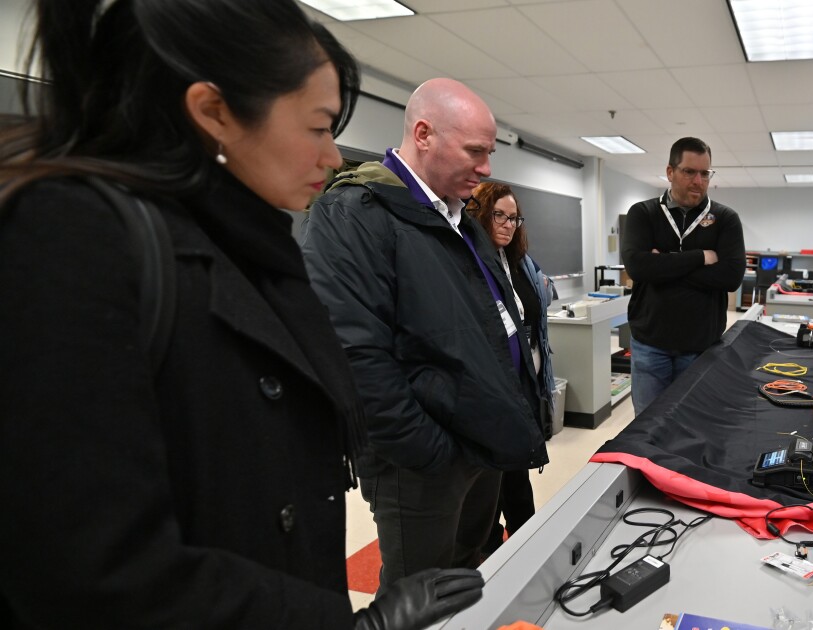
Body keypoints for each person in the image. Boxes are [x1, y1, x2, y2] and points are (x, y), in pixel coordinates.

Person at [0, 1, 485, 628]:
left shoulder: (244, 239)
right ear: (214, 112)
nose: (333, 156)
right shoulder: (69, 242)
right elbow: (90, 565)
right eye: (316, 127)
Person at [300, 79, 548, 588]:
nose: (487, 169)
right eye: (475, 152)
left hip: (479, 444)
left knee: (470, 573)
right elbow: (354, 355)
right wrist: (431, 453)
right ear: (424, 134)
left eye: (490, 152)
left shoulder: (462, 221)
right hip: (422, 463)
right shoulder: (355, 213)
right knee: (419, 595)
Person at [621, 137, 746, 415]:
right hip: (650, 346)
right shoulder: (643, 213)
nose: (698, 180)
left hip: (701, 347)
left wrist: (663, 266)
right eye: (689, 171)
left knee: (694, 426)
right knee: (647, 427)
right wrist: (700, 257)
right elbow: (639, 268)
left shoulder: (725, 219)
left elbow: (730, 277)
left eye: (705, 173)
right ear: (670, 172)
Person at [467, 182, 557, 554]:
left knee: (518, 479)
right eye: (498, 215)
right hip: (493, 392)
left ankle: (526, 550)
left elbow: (537, 306)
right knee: (491, 485)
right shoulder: (469, 261)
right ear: (480, 215)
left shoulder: (520, 261)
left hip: (526, 385)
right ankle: (490, 556)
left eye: (514, 217)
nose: (507, 225)